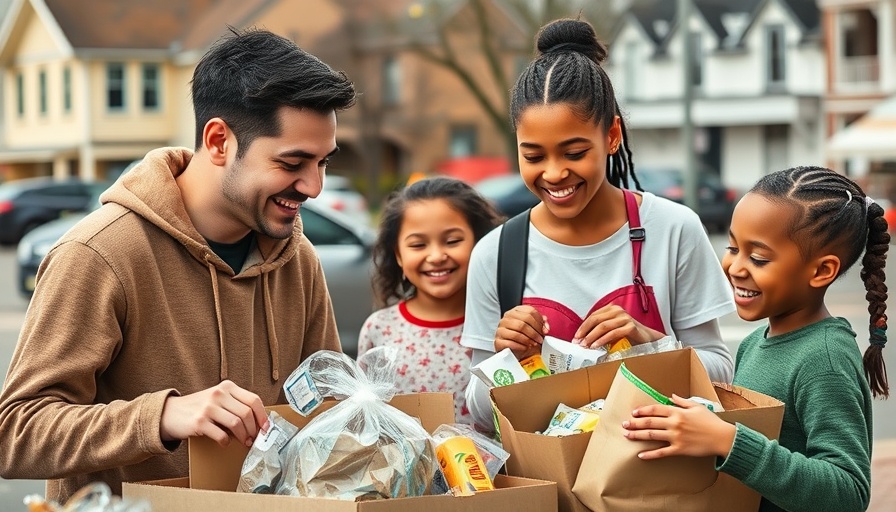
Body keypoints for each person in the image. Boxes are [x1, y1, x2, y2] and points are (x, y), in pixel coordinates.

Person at [0, 28, 356, 502]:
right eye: (293, 162)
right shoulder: (99, 253)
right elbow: (16, 435)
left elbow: (329, 410)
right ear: (218, 140)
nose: (314, 187)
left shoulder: (297, 257)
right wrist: (162, 417)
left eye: (323, 163)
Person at [461, 17, 736, 433]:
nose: (554, 174)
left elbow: (721, 376)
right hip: (550, 488)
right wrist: (507, 360)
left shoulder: (674, 229)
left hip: (656, 480)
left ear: (611, 136)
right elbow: (480, 412)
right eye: (533, 156)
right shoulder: (496, 253)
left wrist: (650, 343)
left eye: (573, 152)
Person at [623, 166, 889, 512]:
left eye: (759, 258)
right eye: (733, 247)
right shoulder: (753, 342)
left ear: (822, 271)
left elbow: (847, 492)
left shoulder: (825, 358)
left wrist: (728, 440)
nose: (735, 267)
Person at [358, 177, 503, 424]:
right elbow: (368, 418)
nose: (436, 256)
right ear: (399, 256)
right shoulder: (379, 328)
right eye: (418, 245)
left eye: (452, 241)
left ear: (481, 245)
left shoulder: (501, 324)